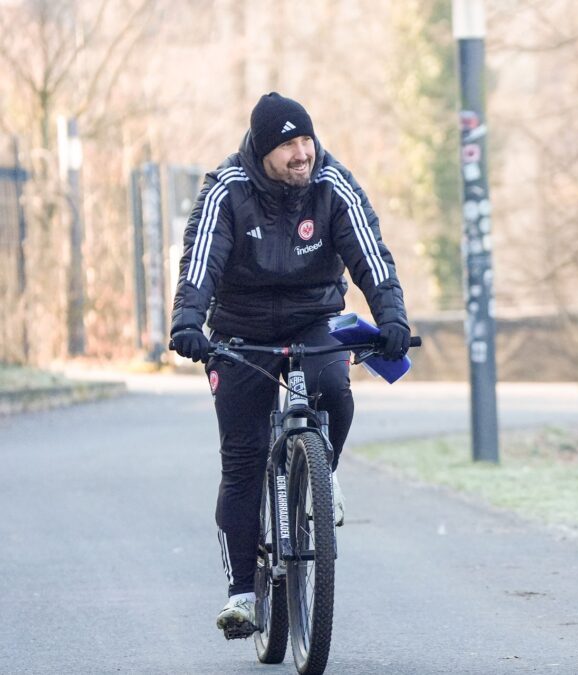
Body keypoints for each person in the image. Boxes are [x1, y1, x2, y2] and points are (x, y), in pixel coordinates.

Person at [170, 92, 412, 640]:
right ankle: (241, 595)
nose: (302, 153)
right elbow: (201, 259)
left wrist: (392, 317)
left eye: (306, 140)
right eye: (288, 145)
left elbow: (371, 255)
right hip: (240, 330)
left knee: (334, 388)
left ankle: (319, 477)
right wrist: (188, 321)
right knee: (243, 458)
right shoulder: (227, 190)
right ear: (262, 151)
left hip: (314, 317)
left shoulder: (332, 184)